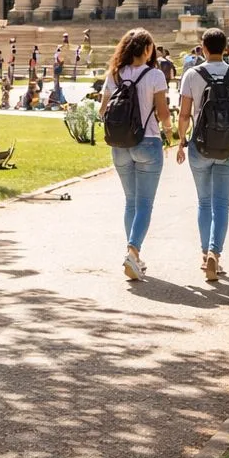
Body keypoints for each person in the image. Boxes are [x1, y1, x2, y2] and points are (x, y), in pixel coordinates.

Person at [176, 28, 229, 283]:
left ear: (203, 47)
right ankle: (215, 253)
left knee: (204, 202)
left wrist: (180, 141)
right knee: (221, 204)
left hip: (200, 144)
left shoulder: (192, 74)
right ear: (225, 48)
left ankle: (203, 253)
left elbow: (184, 114)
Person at [100, 29, 172, 281]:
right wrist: (170, 130)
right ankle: (133, 251)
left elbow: (102, 111)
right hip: (148, 141)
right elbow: (162, 113)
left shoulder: (115, 74)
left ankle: (134, 255)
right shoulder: (155, 75)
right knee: (144, 203)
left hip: (119, 145)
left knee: (131, 201)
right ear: (147, 49)